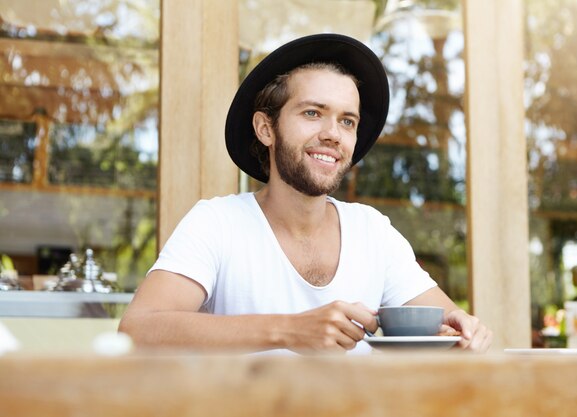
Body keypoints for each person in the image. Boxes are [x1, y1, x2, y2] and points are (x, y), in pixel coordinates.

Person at [119, 33, 492, 354]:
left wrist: (464, 333)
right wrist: (290, 330)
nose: (333, 133)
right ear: (266, 129)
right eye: (313, 113)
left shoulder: (373, 232)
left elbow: (446, 325)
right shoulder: (217, 223)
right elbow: (136, 331)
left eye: (347, 121)